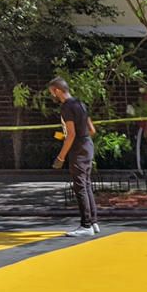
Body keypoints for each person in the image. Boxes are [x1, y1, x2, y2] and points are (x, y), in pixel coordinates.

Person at [49, 77, 99, 237]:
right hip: (87, 145)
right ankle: (93, 222)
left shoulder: (66, 107)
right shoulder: (80, 103)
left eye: (52, 92)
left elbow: (71, 134)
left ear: (57, 90)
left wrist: (61, 157)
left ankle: (86, 225)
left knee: (80, 186)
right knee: (86, 184)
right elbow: (92, 130)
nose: (52, 95)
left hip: (78, 148)